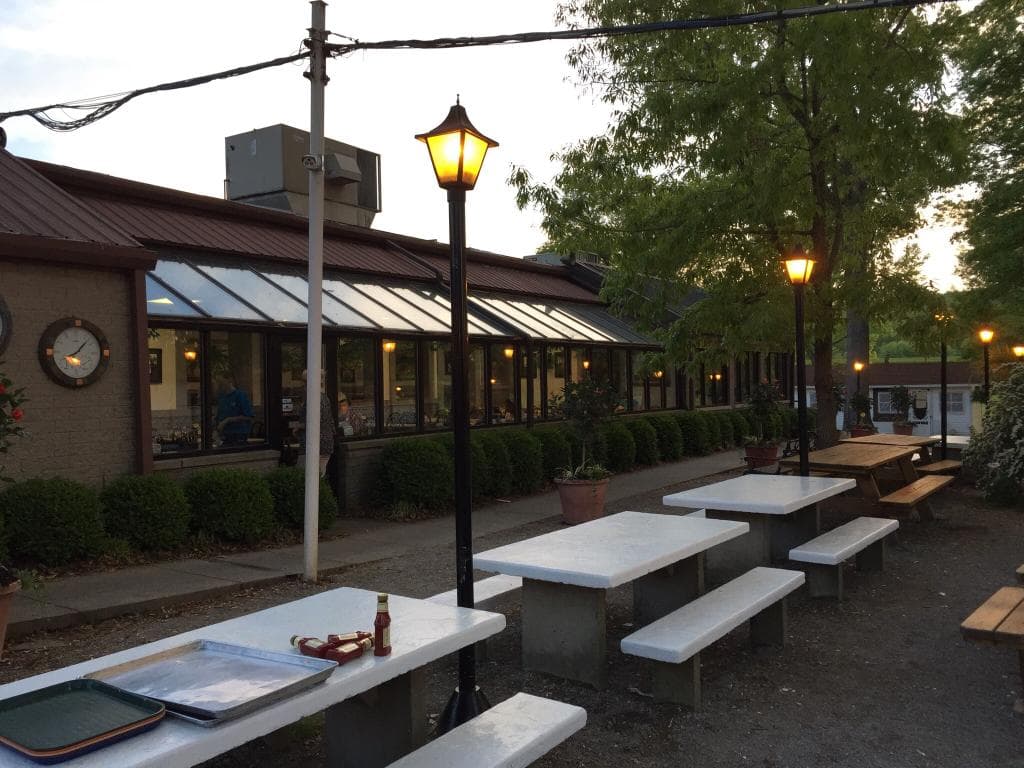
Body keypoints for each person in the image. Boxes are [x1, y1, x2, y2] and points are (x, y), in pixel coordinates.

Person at [297, 369, 335, 476]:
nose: (303, 386)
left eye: (304, 382)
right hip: (326, 443)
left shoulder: (313, 398)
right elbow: (329, 421)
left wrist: (298, 427)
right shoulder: (325, 398)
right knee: (319, 474)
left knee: (305, 475)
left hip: (313, 443)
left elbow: (314, 421)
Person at [215, 373, 253, 445]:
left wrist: (228, 420)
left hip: (238, 435)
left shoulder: (240, 395)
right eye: (217, 382)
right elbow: (218, 417)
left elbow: (248, 416)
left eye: (221, 381)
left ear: (229, 380)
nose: (219, 384)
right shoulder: (222, 398)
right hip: (224, 435)